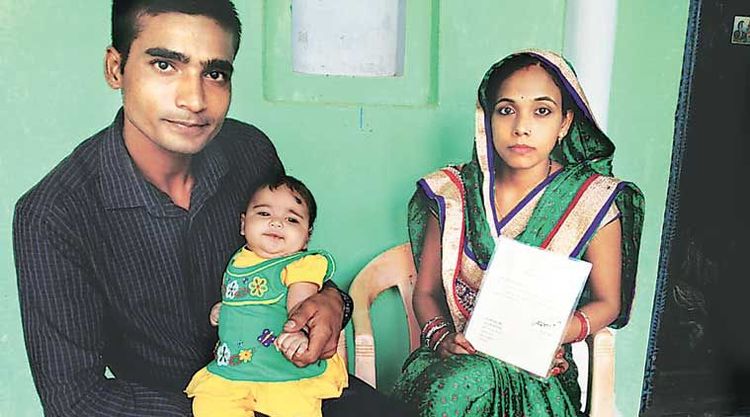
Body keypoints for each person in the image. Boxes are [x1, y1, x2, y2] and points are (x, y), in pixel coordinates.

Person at [12, 1, 405, 416]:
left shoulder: (250, 152)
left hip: (295, 389)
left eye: (215, 73)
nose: (195, 99)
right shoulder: (54, 214)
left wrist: (334, 302)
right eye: (165, 65)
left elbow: (287, 267)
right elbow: (75, 401)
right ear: (115, 68)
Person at [391, 49, 644, 416]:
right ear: (487, 118)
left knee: (458, 389)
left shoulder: (592, 200)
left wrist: (559, 334)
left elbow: (608, 302)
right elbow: (426, 292)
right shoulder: (452, 192)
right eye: (506, 110)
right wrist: (442, 338)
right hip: (453, 360)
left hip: (537, 370)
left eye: (542, 111)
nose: (521, 127)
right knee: (456, 384)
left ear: (565, 122)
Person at [185, 175, 348, 417]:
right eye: (264, 213)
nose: (276, 222)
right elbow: (246, 297)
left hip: (283, 373)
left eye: (292, 219)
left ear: (307, 236)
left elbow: (302, 306)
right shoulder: (239, 260)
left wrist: (301, 333)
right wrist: (226, 309)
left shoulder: (302, 265)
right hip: (235, 371)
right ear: (243, 224)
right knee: (210, 404)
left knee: (294, 408)